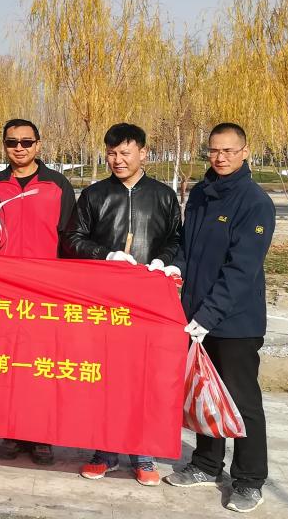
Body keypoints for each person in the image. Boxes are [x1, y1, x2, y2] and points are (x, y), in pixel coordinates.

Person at [164, 123, 274, 513]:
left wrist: (208, 315)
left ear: (245, 152)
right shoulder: (201, 194)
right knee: (203, 393)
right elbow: (188, 247)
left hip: (235, 322)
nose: (220, 157)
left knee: (241, 399)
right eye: (214, 150)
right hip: (196, 316)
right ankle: (207, 463)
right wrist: (173, 269)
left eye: (228, 150)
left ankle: (249, 479)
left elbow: (241, 270)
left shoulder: (255, 202)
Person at [64, 122, 182, 486]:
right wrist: (105, 254)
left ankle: (143, 452)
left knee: (143, 377)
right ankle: (104, 451)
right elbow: (71, 239)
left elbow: (177, 238)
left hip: (147, 302)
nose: (117, 160)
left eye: (125, 153)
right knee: (104, 376)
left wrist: (162, 261)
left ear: (143, 153)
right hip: (104, 301)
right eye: (111, 153)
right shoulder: (94, 195)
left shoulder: (163, 196)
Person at [0, 118, 75, 466]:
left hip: (44, 291)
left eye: (26, 142)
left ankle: (41, 436)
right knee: (7, 364)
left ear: (38, 145)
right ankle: (11, 431)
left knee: (42, 366)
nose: (19, 148)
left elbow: (69, 239)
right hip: (3, 292)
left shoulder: (57, 185)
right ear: (4, 146)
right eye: (12, 142)